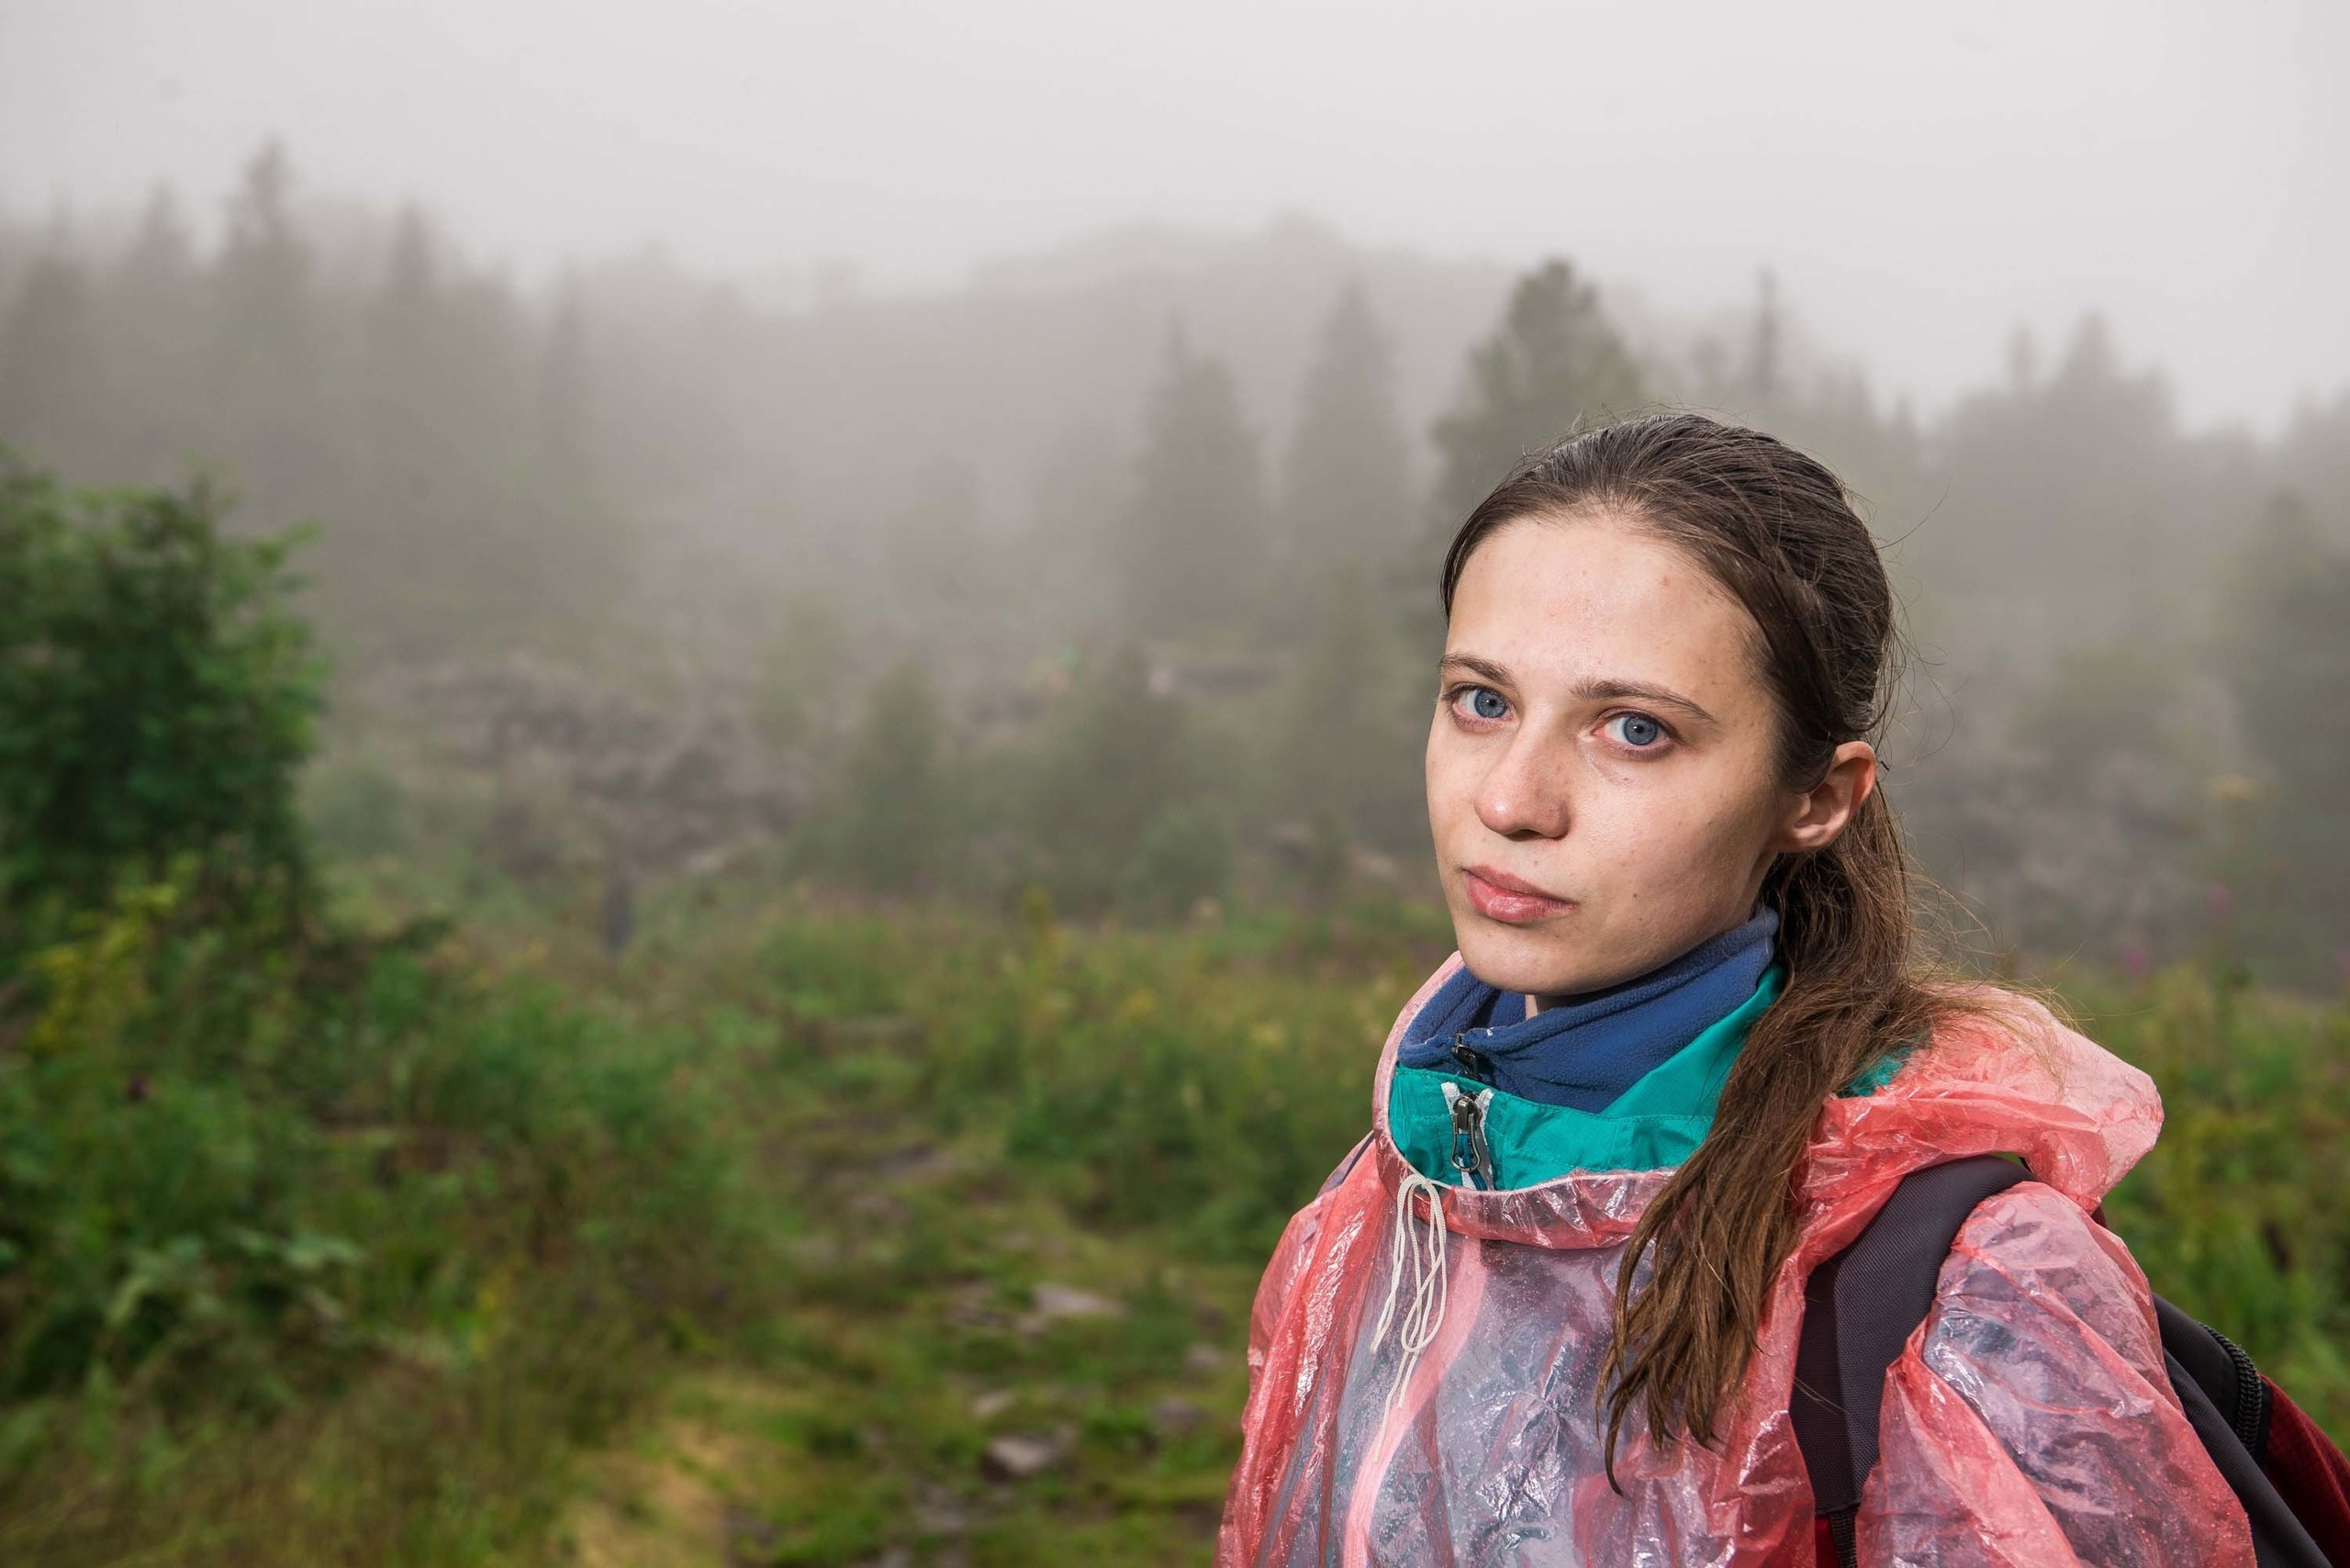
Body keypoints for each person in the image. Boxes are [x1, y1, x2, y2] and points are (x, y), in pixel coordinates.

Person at [1217, 413, 2253, 1565]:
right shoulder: (1402, 1174)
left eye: (1633, 729)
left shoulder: (1973, 1297)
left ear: (1815, 797)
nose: (1510, 800)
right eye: (1482, 700)